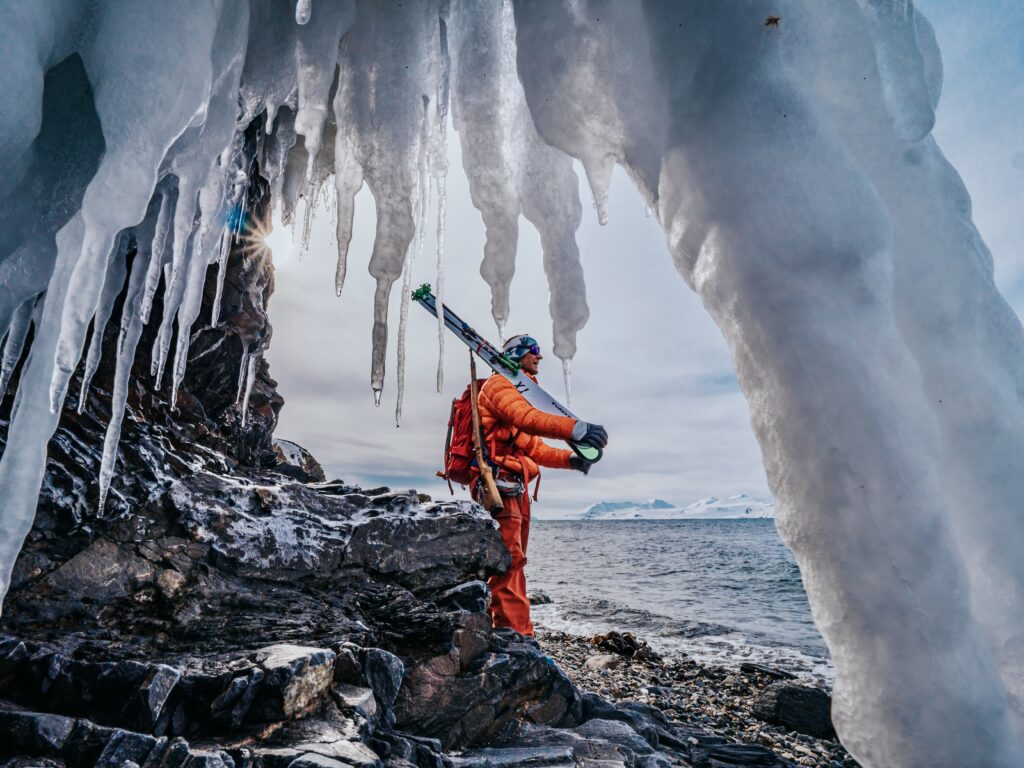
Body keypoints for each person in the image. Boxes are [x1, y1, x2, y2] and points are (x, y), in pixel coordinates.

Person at [473, 334, 608, 637]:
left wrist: (571, 460)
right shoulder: (498, 386)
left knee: (516, 562)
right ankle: (513, 634)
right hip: (499, 488)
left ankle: (522, 631)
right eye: (533, 351)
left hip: (515, 489)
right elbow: (528, 418)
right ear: (517, 354)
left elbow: (533, 448)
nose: (539, 357)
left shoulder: (519, 392)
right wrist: (577, 429)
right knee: (507, 562)